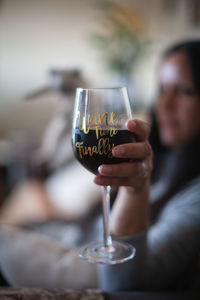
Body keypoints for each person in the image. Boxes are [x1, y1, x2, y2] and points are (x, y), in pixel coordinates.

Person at [0, 39, 200, 291]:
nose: (165, 104)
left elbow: (125, 282)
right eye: (162, 89)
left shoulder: (194, 195)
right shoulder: (163, 158)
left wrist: (135, 191)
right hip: (67, 233)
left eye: (183, 91)